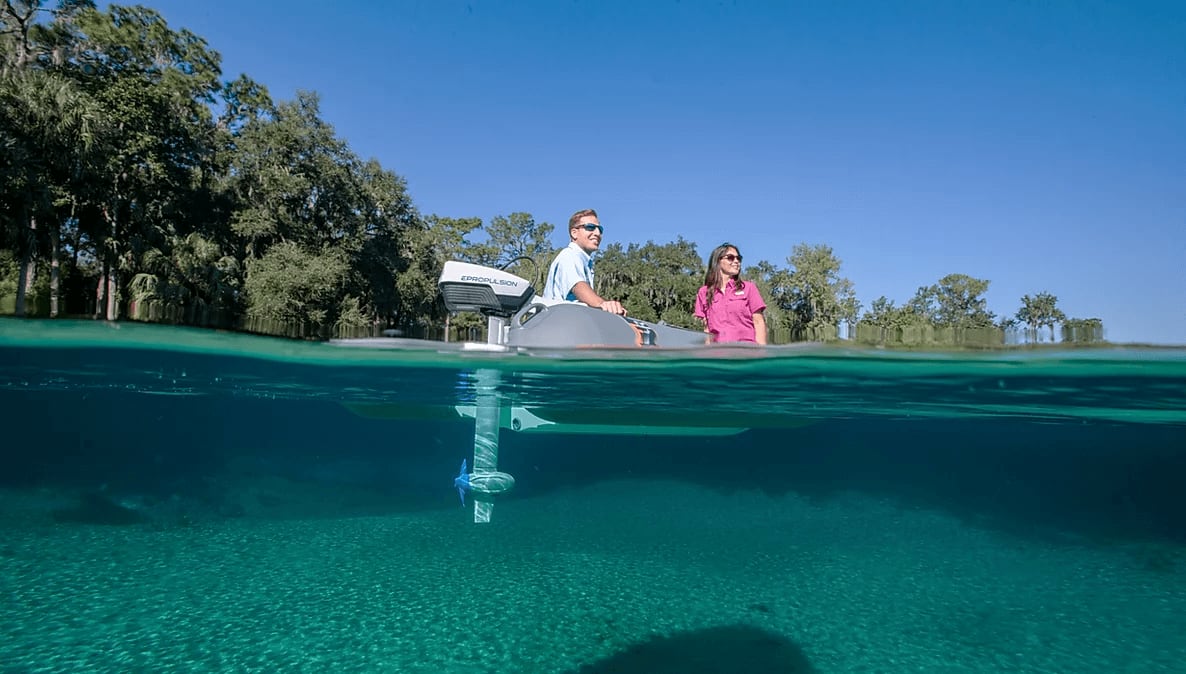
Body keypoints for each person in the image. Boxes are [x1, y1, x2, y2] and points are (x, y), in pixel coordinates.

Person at [542, 208, 627, 315]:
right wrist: (604, 304)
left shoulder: (583, 261)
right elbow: (578, 286)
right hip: (558, 324)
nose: (597, 233)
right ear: (574, 233)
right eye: (590, 227)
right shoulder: (569, 255)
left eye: (600, 229)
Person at [694, 243, 767, 344]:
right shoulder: (704, 292)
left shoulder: (749, 288)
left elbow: (758, 321)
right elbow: (707, 330)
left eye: (739, 258)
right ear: (718, 261)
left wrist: (762, 353)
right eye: (731, 258)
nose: (736, 261)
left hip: (747, 351)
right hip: (718, 353)